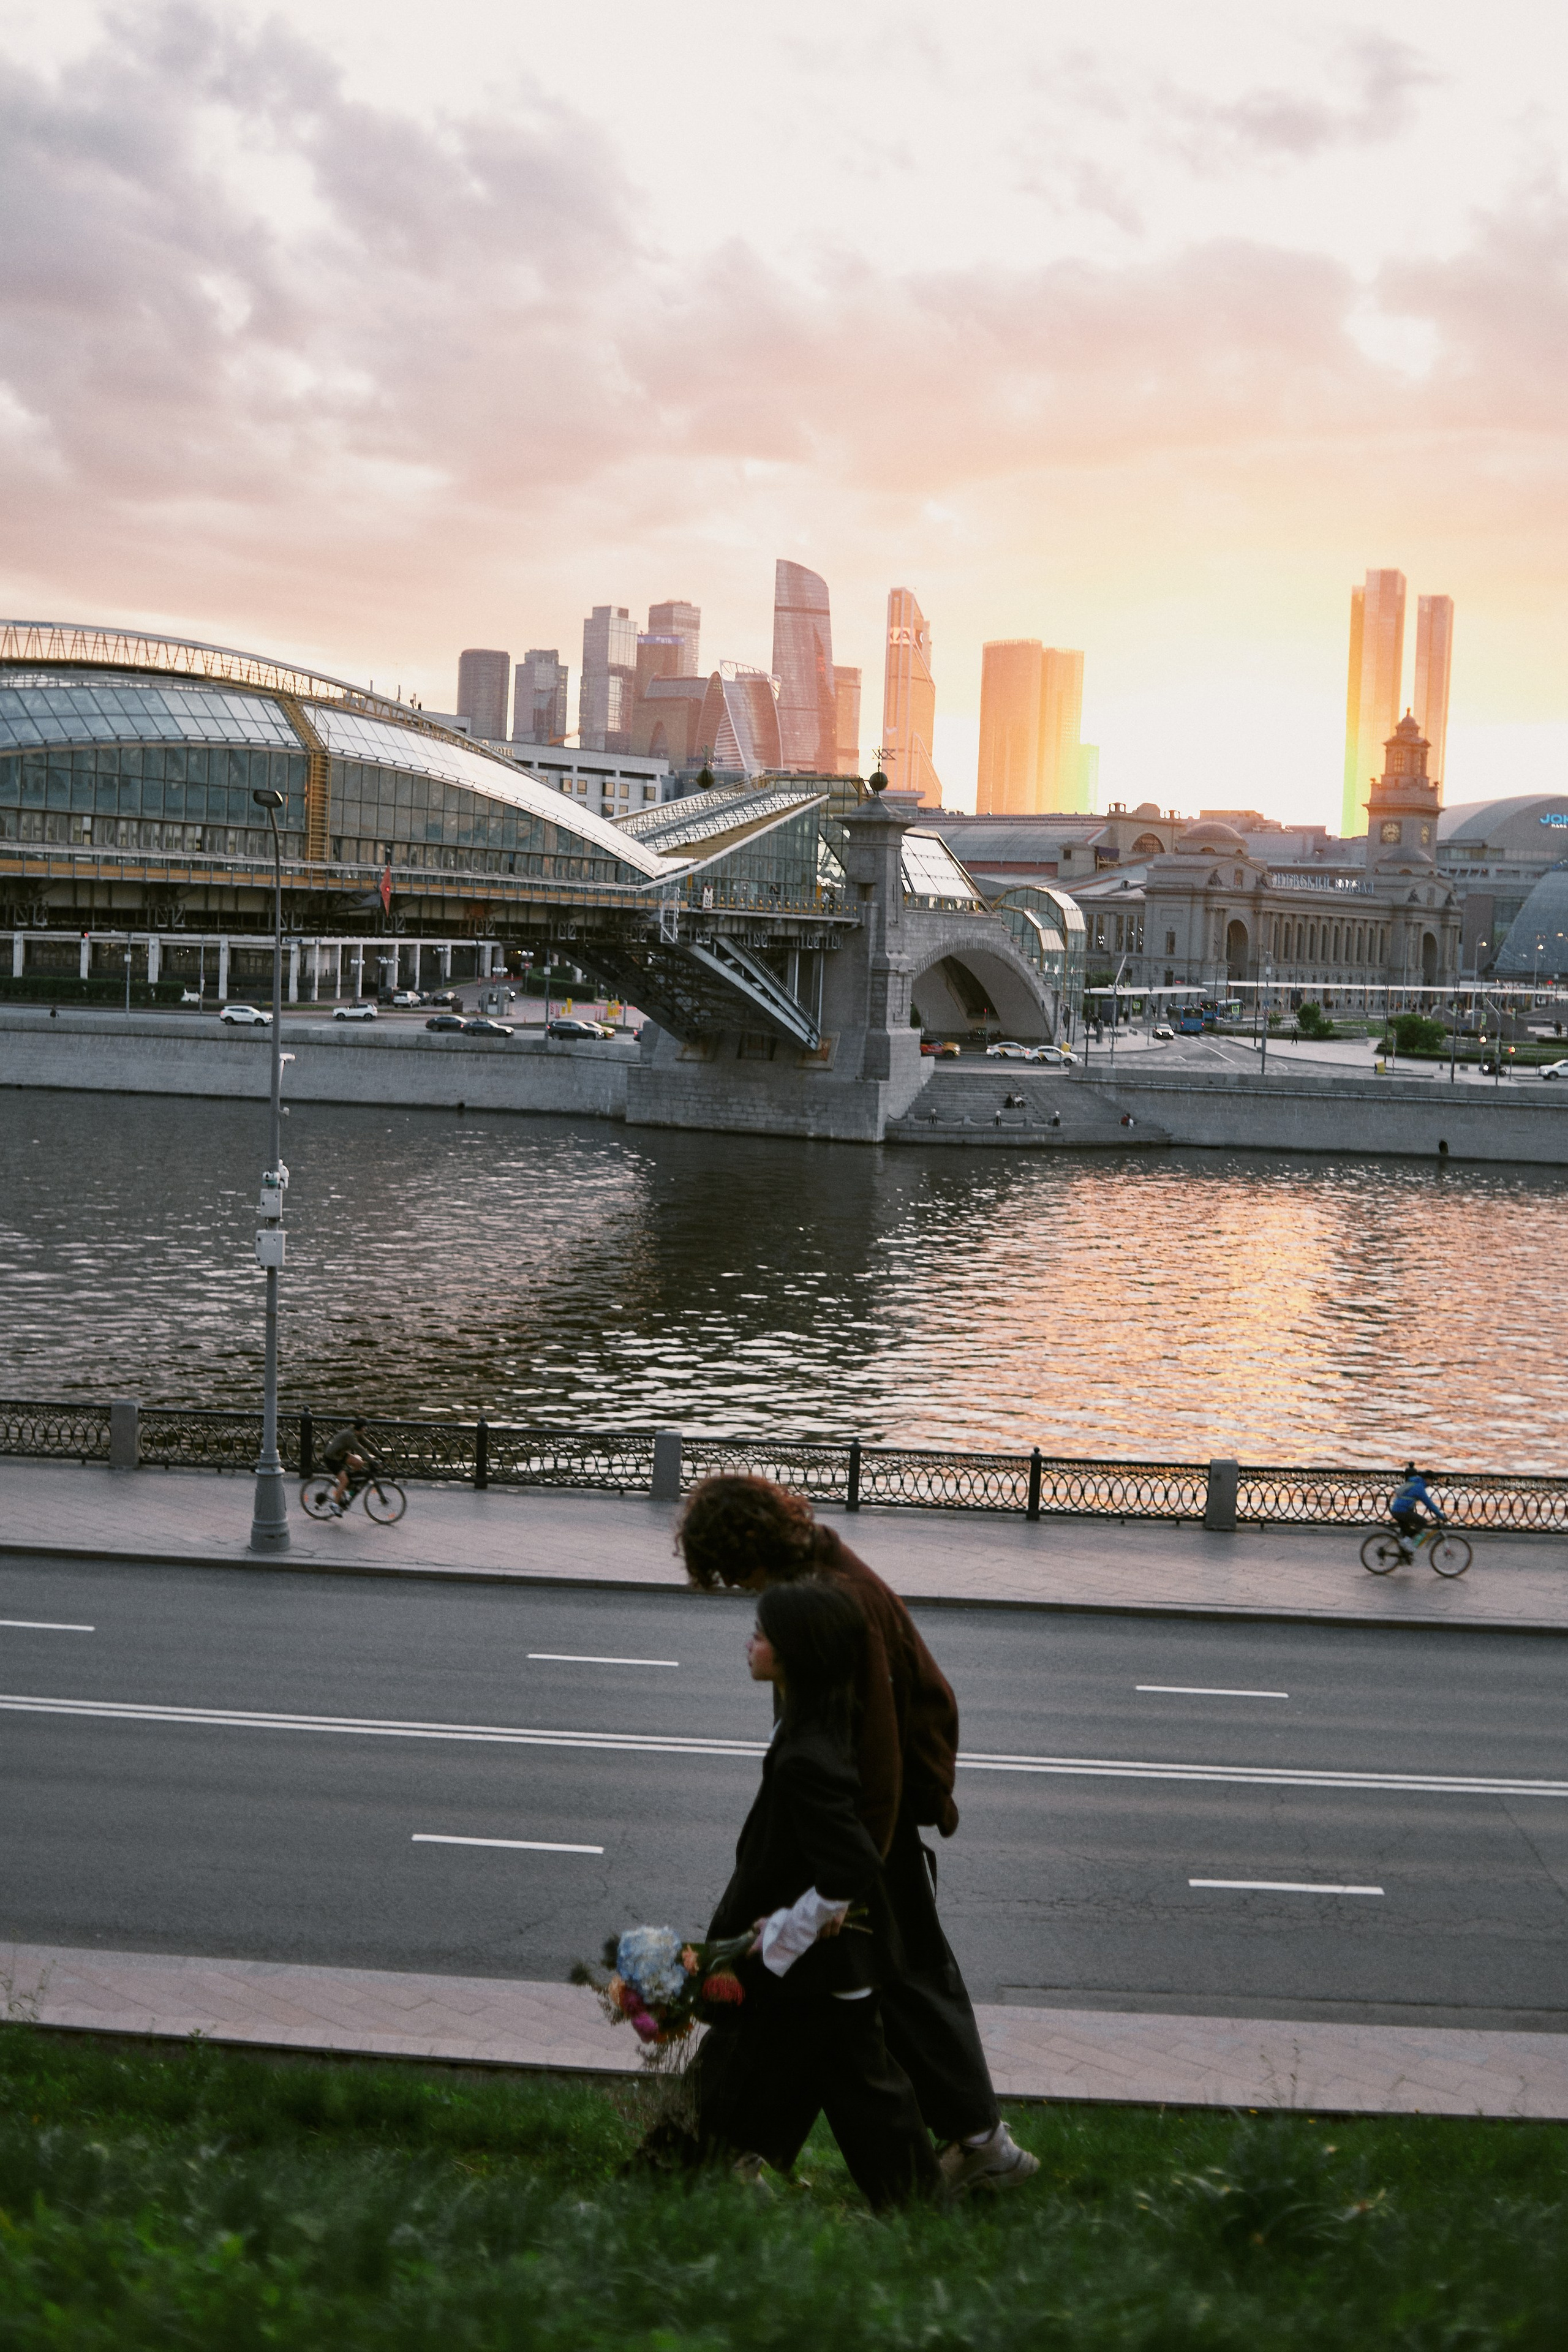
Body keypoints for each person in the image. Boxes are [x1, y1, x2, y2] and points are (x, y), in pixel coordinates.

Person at [677, 1474, 1037, 2194]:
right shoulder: (820, 1579)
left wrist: (846, 1876)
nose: (733, 1588)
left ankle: (973, 2148)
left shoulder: (839, 1600)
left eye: (729, 1569)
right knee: (853, 1995)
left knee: (885, 1990)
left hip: (867, 1827)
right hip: (858, 1826)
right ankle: (737, 2151)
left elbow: (872, 1748)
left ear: (750, 1549)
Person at [690, 1577, 942, 2210]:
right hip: (824, 1967)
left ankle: (685, 2178)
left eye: (764, 1634)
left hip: (820, 1964)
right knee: (832, 2081)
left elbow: (852, 1865)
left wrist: (787, 1929)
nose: (751, 1642)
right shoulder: (817, 1729)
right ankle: (707, 2171)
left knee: (847, 2088)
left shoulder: (806, 1754)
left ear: (796, 1653)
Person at [321, 1417, 379, 1515]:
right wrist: (371, 1460)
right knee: (345, 1481)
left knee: (359, 1463)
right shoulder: (350, 1436)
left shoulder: (357, 1433)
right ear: (361, 1428)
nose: (366, 1430)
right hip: (331, 1458)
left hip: (340, 1455)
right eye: (365, 1428)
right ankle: (334, 1506)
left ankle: (347, 1485)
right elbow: (360, 1449)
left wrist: (381, 1455)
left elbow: (368, 1444)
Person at [1389, 1463, 1444, 1557]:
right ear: (1427, 1479)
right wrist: (1441, 1515)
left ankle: (1404, 1555)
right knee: (1422, 1522)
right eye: (1432, 1480)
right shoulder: (1419, 1488)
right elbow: (1429, 1504)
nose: (1432, 1483)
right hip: (1401, 1511)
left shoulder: (1415, 1483)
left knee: (1408, 1532)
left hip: (1397, 1510)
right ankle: (1406, 1543)